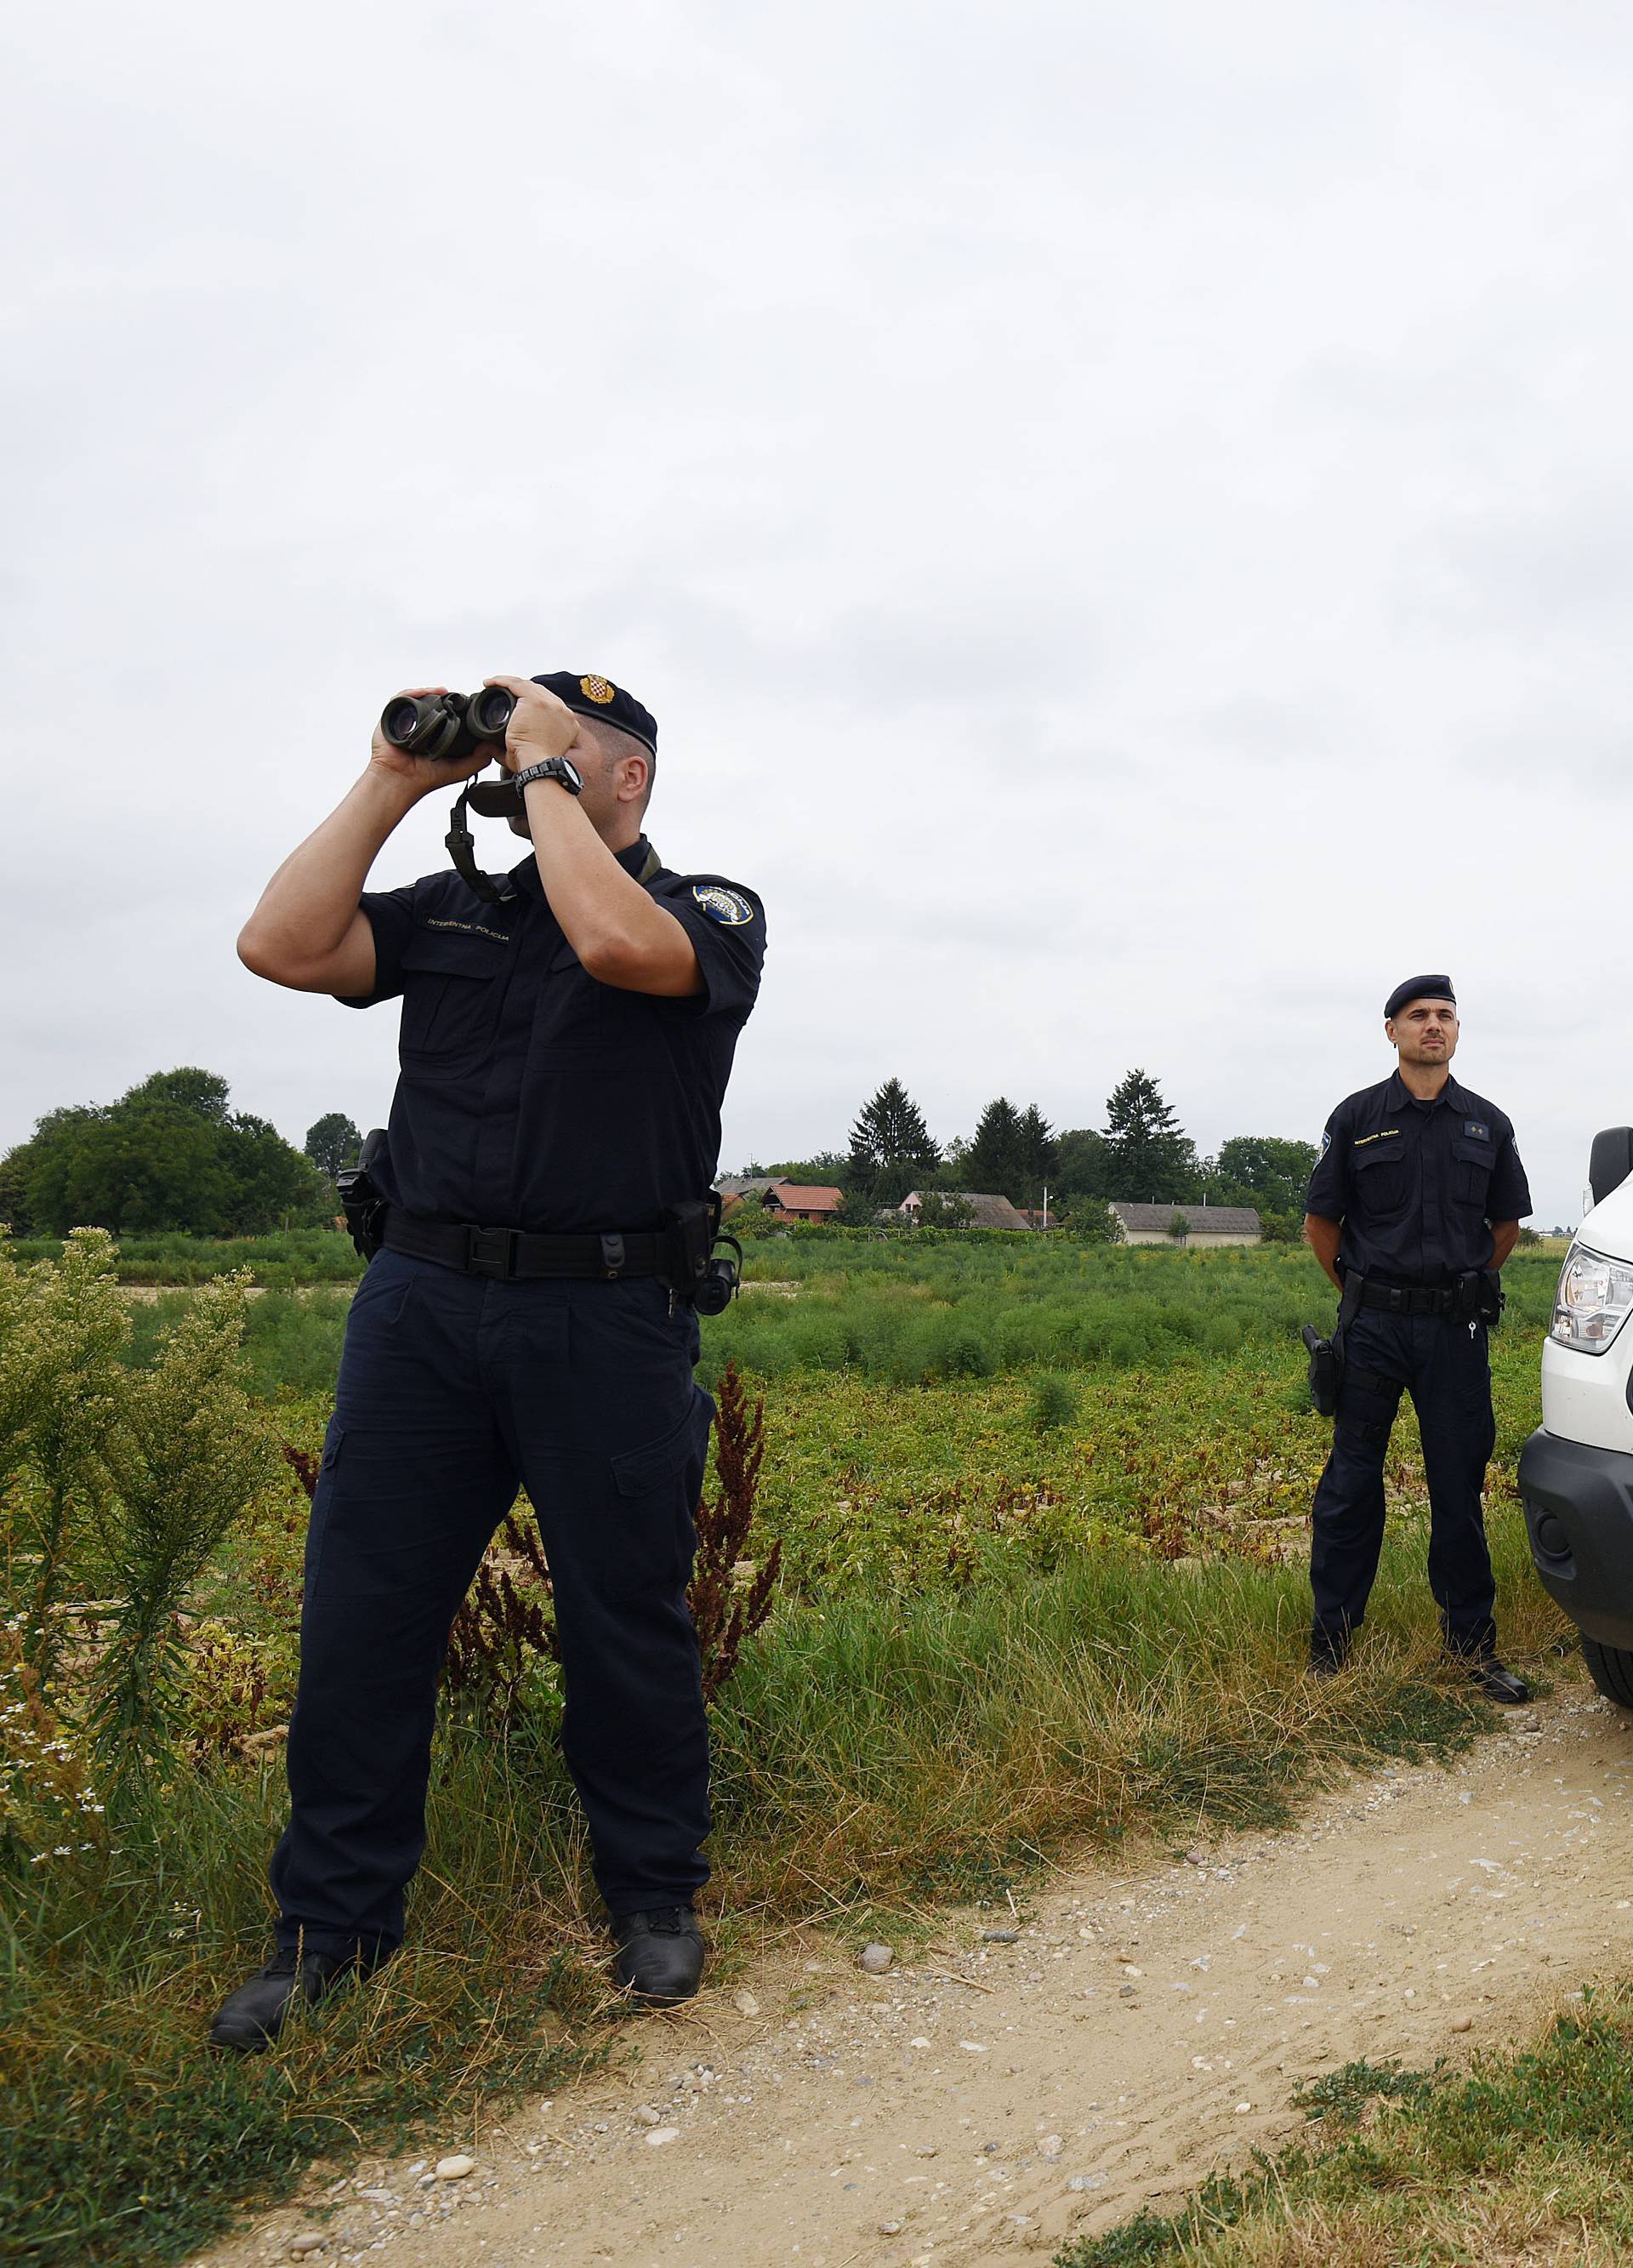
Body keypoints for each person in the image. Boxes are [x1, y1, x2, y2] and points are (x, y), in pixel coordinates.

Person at [212, 670, 765, 2051]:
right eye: (522, 752)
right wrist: (394, 778)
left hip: (608, 1318)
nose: (525, 767)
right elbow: (279, 946)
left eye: (566, 752)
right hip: (422, 1309)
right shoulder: (458, 908)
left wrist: (544, 778)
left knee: (622, 1622)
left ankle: (651, 1899)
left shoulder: (706, 910)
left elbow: (620, 951)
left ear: (626, 776)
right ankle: (329, 1932)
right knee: (363, 1619)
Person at [1301, 976, 1532, 1702]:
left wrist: (1454, 1292)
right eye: (1418, 1016)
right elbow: (1321, 1225)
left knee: (1458, 1485)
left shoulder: (1487, 1125)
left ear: (1456, 1033)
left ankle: (1472, 1650)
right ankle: (1331, 1645)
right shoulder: (1358, 1116)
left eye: (1444, 1017)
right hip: (1372, 1332)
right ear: (1392, 1031)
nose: (1433, 1026)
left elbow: (1505, 1228)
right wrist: (1368, 1300)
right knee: (1350, 1484)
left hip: (1455, 1333)